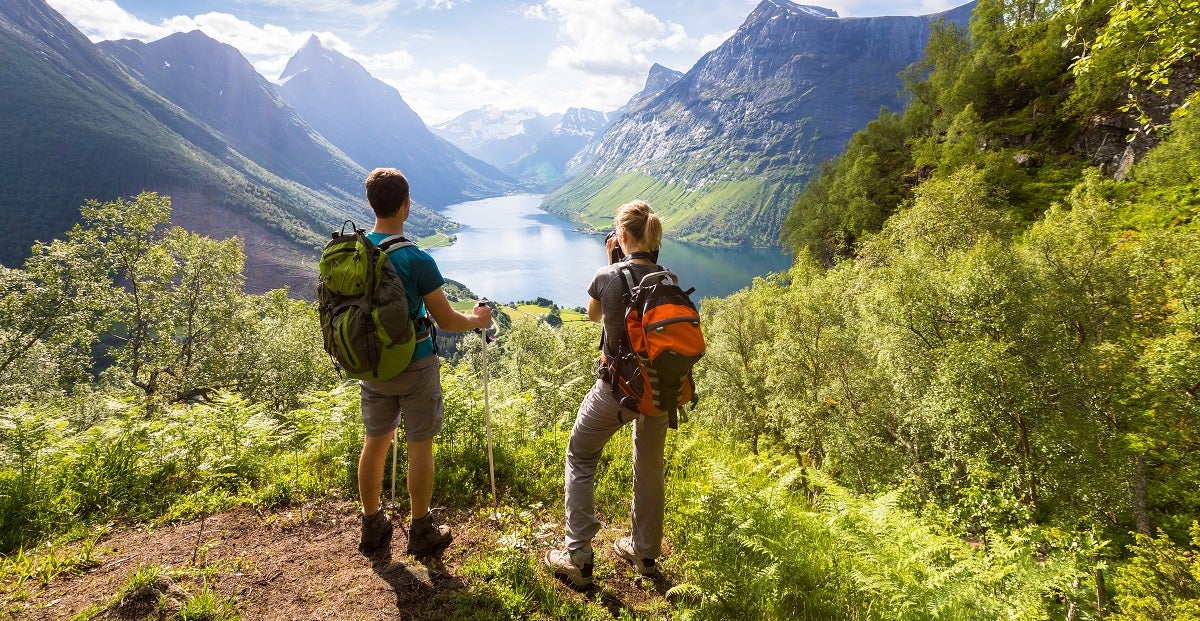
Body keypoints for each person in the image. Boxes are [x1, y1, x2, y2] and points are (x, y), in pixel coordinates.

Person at [356, 167, 492, 559]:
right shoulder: (417, 258)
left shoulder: (356, 251)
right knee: (420, 446)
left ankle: (372, 524)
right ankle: (420, 531)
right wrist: (478, 320)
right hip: (414, 364)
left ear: (370, 203)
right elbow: (448, 320)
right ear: (406, 204)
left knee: (375, 442)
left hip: (372, 365)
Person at [545, 200, 669, 588]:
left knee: (580, 455)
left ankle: (578, 556)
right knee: (649, 467)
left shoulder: (607, 274)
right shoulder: (668, 278)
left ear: (623, 236)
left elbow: (593, 314)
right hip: (660, 391)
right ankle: (645, 553)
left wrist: (612, 261)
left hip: (617, 390)